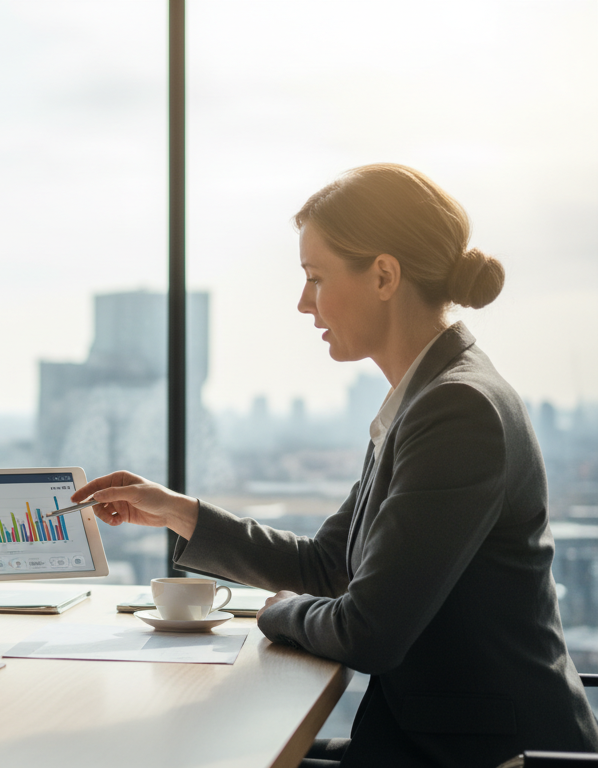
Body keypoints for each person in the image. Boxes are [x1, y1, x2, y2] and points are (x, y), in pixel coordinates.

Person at [72, 165, 598, 767]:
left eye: (316, 278)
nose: (303, 303)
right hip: (438, 739)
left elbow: (368, 630)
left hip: (490, 756)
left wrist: (280, 614)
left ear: (383, 276)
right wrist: (175, 511)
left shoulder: (458, 410)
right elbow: (328, 565)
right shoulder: (426, 398)